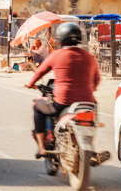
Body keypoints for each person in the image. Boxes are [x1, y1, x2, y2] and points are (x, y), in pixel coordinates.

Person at [26, 22, 101, 157]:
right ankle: (89, 148)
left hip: (63, 101)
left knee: (37, 107)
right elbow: (97, 80)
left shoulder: (57, 55)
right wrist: (90, 89)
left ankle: (42, 147)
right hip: (88, 102)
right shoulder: (89, 57)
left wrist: (30, 83)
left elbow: (40, 72)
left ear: (60, 39)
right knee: (92, 121)